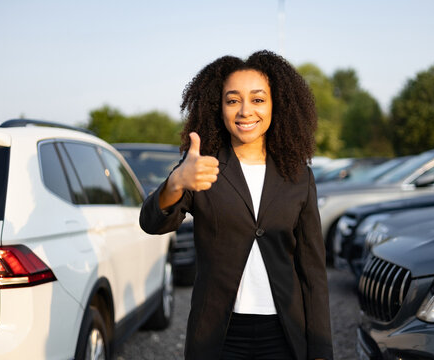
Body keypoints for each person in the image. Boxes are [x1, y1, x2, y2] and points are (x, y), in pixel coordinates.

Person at [140, 50, 333, 360]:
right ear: (219, 107)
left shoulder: (298, 176)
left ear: (275, 105)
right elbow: (152, 223)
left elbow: (313, 271)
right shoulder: (202, 168)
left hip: (284, 334)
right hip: (218, 337)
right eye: (233, 100)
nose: (245, 111)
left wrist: (321, 349)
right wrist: (175, 182)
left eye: (258, 100)